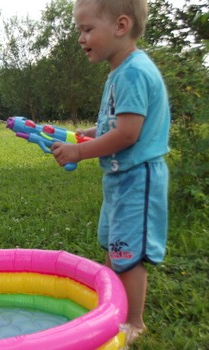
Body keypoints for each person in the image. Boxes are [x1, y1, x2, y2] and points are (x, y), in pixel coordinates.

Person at [51, 0, 170, 345]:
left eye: (87, 29)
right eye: (80, 30)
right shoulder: (120, 70)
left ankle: (134, 321)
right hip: (121, 177)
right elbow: (116, 123)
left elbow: (128, 134)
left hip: (138, 177)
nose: (80, 38)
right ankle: (112, 306)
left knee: (128, 254)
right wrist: (90, 133)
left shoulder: (133, 71)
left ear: (120, 26)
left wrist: (79, 151)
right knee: (115, 243)